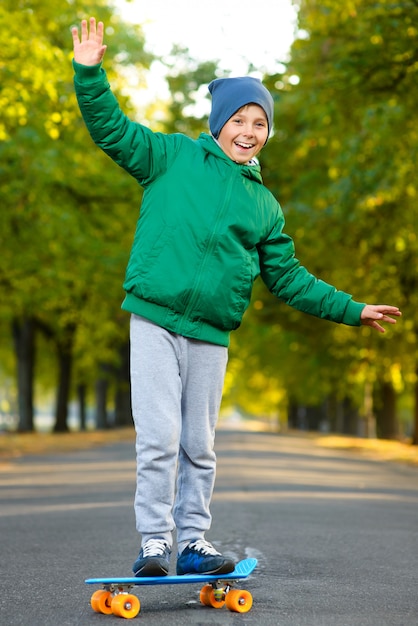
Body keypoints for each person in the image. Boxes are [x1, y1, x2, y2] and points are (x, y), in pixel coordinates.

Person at [71, 18, 401, 577]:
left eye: (260, 122)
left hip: (210, 333)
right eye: (239, 119)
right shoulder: (170, 157)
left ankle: (194, 540)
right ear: (219, 123)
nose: (249, 130)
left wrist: (352, 308)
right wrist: (88, 73)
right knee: (159, 438)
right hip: (153, 318)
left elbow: (290, 278)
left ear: (267, 133)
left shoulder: (264, 207)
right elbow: (111, 128)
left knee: (199, 443)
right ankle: (155, 544)